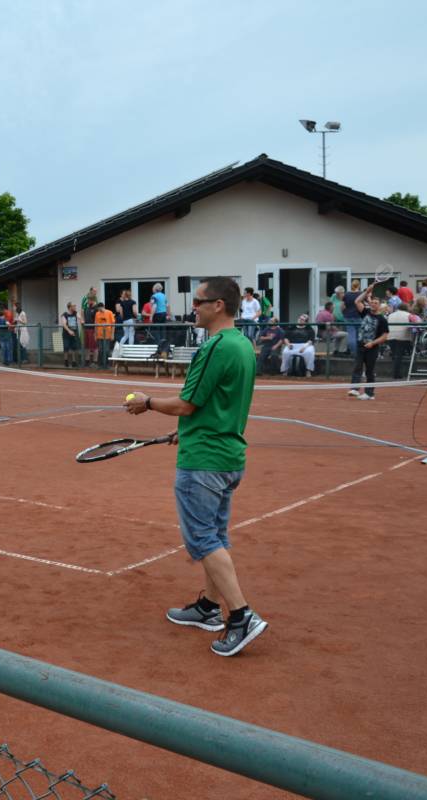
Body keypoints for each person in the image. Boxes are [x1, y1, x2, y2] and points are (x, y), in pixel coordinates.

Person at [125, 276, 267, 657]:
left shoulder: (216, 346)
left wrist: (147, 401)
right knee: (215, 536)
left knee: (203, 540)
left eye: (199, 301)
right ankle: (207, 607)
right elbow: (213, 405)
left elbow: (188, 403)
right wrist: (183, 430)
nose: (194, 308)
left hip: (204, 461)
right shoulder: (243, 345)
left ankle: (240, 615)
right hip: (226, 455)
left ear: (218, 305)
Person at [348, 285, 390, 400]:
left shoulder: (382, 320)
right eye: (372, 302)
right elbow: (357, 301)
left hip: (372, 348)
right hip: (361, 345)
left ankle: (369, 393)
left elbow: (385, 336)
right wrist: (367, 291)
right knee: (357, 367)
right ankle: (355, 389)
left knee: (370, 371)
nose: (373, 304)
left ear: (379, 305)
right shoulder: (365, 312)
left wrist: (373, 343)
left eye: (376, 303)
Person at [386, 303, 414, 380]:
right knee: (398, 356)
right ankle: (397, 374)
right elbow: (416, 322)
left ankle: (396, 372)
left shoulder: (391, 315)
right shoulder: (408, 315)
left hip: (390, 336)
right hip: (403, 337)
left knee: (395, 355)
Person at [342, 282, 363, 356]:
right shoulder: (361, 294)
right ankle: (358, 353)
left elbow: (343, 306)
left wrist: (344, 314)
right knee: (359, 335)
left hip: (348, 317)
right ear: (359, 285)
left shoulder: (346, 294)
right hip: (358, 316)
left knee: (351, 335)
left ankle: (354, 353)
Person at [94, 302, 116, 368]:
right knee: (100, 350)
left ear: (102, 306)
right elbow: (95, 324)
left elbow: (113, 324)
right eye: (98, 308)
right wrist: (95, 334)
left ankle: (108, 364)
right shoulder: (97, 314)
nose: (99, 309)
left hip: (107, 335)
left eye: (100, 308)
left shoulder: (109, 312)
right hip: (99, 335)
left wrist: (112, 334)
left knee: (106, 350)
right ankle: (101, 364)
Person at [81, 289, 100, 367]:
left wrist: (96, 331)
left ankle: (95, 362)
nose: (87, 302)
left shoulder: (96, 308)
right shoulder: (87, 307)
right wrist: (82, 320)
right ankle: (87, 361)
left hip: (93, 329)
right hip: (87, 329)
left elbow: (97, 321)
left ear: (91, 300)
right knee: (87, 346)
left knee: (95, 346)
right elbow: (83, 316)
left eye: (88, 300)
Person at [60, 302, 81, 368]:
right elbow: (64, 324)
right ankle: (66, 361)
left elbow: (79, 317)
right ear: (70, 307)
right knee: (66, 348)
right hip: (66, 334)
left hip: (74, 333)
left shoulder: (75, 313)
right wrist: (69, 331)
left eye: (75, 306)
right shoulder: (64, 314)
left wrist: (81, 319)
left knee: (74, 348)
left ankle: (74, 361)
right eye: (73, 306)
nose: (75, 307)